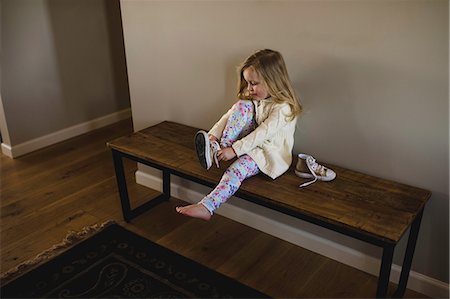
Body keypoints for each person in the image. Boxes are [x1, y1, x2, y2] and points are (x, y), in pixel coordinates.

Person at [176, 49, 302, 221]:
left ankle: (207, 207)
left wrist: (234, 151)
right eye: (247, 83)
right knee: (241, 106)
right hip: (247, 143)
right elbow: (229, 116)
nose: (249, 88)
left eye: (254, 83)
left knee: (235, 171)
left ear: (272, 81)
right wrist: (213, 135)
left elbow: (260, 134)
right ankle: (215, 147)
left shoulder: (282, 109)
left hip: (268, 154)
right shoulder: (257, 99)